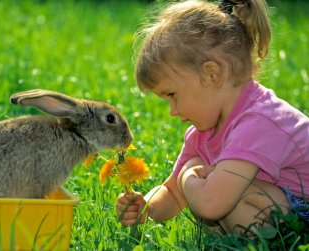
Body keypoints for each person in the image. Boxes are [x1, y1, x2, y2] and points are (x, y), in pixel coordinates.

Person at [116, 0, 309, 234]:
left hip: (302, 210)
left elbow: (210, 204)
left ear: (211, 74)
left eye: (172, 95)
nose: (173, 111)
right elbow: (174, 193)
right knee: (220, 199)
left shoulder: (258, 121)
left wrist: (189, 171)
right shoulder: (202, 133)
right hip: (280, 208)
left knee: (230, 200)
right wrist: (146, 208)